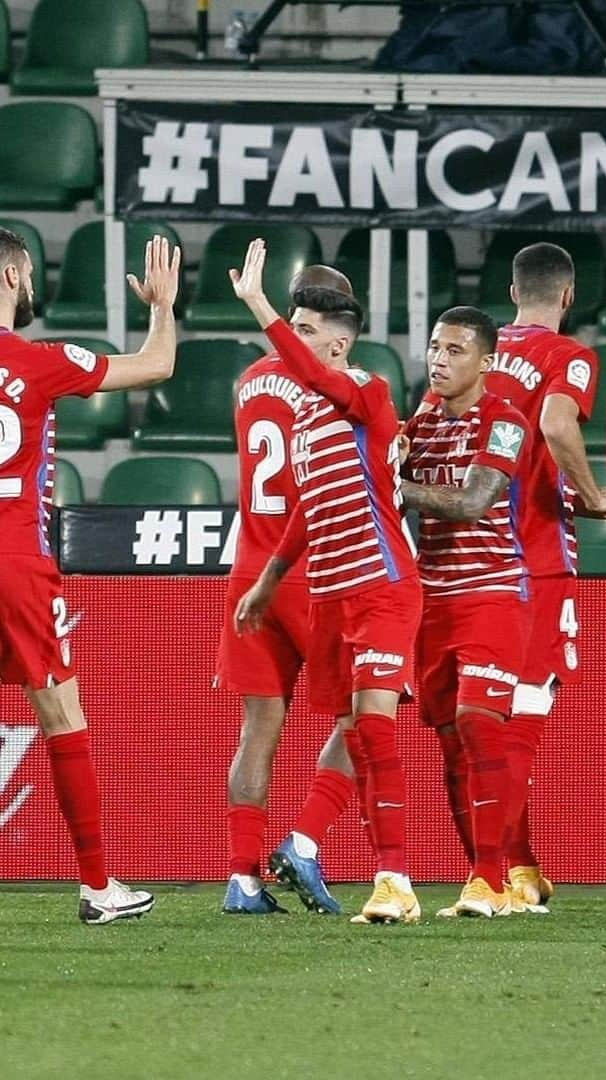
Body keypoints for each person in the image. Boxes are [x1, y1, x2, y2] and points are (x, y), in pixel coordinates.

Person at [230, 239, 422, 925]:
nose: (296, 344)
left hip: (383, 586)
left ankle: (393, 878)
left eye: (308, 333)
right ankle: (304, 844)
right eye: (293, 328)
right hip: (329, 596)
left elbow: (327, 385)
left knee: (373, 728)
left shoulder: (365, 391)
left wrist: (257, 305)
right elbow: (308, 511)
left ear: (337, 347)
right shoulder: (309, 418)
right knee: (353, 726)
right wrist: (269, 579)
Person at [0, 228, 180, 923]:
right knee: (62, 716)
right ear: (13, 277)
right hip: (17, 564)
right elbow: (157, 365)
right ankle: (98, 886)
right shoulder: (42, 362)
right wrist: (161, 305)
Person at [480, 242, 606, 911]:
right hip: (533, 557)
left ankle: (521, 863)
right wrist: (593, 493)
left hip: (466, 562)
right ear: (568, 296)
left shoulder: (469, 350)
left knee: (489, 717)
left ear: (513, 293)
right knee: (526, 716)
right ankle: (493, 873)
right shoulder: (568, 357)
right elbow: (557, 423)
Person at [217, 265, 360, 916]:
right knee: (365, 715)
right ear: (341, 342)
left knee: (259, 727)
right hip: (316, 569)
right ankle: (305, 838)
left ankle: (243, 880)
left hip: (249, 570)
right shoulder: (336, 387)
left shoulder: (248, 382)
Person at [400, 306, 530, 918]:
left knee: (480, 722)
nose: (439, 359)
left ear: (488, 361)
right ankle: (485, 883)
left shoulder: (505, 421)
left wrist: (393, 485)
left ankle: (489, 877)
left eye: (455, 350)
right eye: (434, 347)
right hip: (429, 601)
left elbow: (474, 502)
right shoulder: (420, 423)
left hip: (491, 593)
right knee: (450, 744)